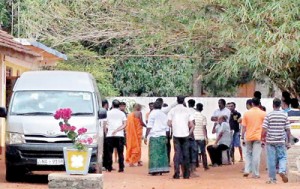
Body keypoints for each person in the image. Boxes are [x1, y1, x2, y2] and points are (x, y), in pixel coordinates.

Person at [262, 98, 291, 184]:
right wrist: (288, 141)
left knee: (271, 159)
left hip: (270, 141)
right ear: (280, 105)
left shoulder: (269, 115)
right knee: (282, 157)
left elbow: (264, 128)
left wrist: (262, 138)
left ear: (273, 105)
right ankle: (282, 170)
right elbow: (288, 130)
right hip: (281, 140)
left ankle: (272, 179)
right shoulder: (284, 115)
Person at [168, 95, 195, 179]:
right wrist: (189, 133)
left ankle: (176, 173)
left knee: (177, 154)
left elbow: (168, 123)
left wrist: (174, 126)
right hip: (185, 135)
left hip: (176, 135)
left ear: (177, 100)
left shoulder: (172, 110)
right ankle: (186, 174)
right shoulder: (188, 110)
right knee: (186, 154)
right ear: (184, 101)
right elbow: (192, 125)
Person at [242, 98, 266, 178]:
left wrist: (242, 137)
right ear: (259, 104)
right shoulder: (263, 114)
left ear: (252, 104)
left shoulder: (246, 113)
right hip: (258, 137)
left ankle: (247, 170)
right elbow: (265, 127)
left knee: (248, 154)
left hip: (248, 136)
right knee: (256, 155)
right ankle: (255, 174)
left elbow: (244, 127)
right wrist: (264, 138)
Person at [144, 101, 170, 175]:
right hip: (163, 136)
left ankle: (154, 170)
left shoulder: (152, 114)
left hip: (154, 136)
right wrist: (167, 137)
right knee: (162, 153)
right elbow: (167, 127)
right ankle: (162, 169)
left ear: (154, 106)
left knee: (154, 154)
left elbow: (149, 126)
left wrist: (146, 136)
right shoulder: (164, 114)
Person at [103, 100, 127, 172]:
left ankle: (109, 167)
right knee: (120, 152)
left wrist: (106, 133)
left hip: (109, 135)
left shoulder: (107, 113)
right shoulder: (122, 113)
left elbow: (104, 124)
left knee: (109, 152)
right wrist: (117, 130)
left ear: (112, 105)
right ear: (119, 106)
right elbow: (125, 124)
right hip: (120, 135)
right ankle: (121, 168)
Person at [194, 103, 209, 170]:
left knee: (195, 151)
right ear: (202, 109)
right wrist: (206, 137)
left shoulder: (193, 116)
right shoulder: (203, 116)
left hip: (194, 136)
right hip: (201, 137)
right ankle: (205, 166)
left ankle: (195, 165)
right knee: (203, 152)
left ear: (196, 108)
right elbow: (204, 128)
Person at [187, 99, 198, 177]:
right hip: (191, 136)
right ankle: (192, 171)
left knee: (184, 153)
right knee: (193, 153)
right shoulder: (195, 112)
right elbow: (194, 124)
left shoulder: (186, 112)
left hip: (182, 136)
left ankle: (184, 171)